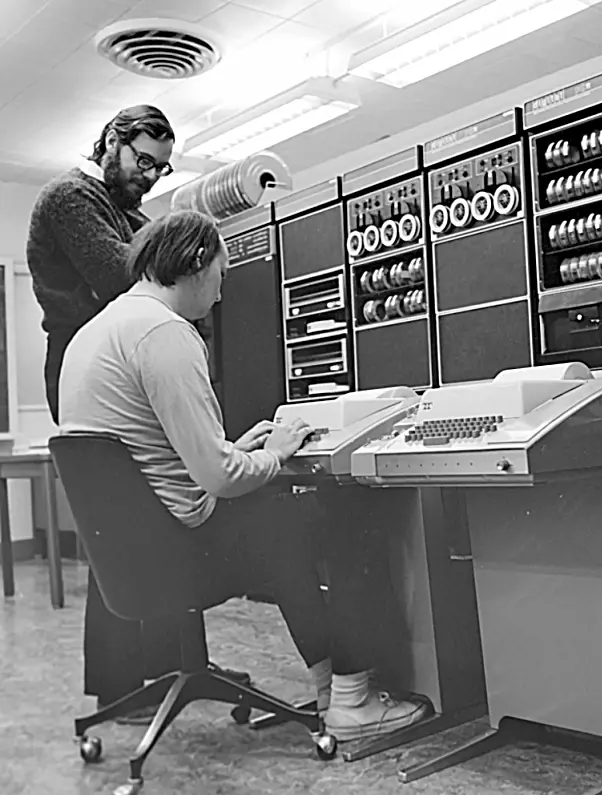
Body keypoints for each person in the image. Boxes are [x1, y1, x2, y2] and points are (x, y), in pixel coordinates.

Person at [58, 209, 427, 741]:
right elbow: (222, 480)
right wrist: (274, 453)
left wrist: (235, 449)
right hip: (185, 550)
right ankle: (353, 701)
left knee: (281, 522)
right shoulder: (165, 333)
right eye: (221, 276)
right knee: (348, 510)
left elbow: (149, 455)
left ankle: (331, 692)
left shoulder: (97, 332)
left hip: (138, 556)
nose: (220, 294)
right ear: (195, 262)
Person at [25, 105, 247, 722]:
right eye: (141, 159)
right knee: (119, 522)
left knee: (169, 506)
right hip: (91, 368)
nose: (149, 174)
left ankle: (182, 666)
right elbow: (122, 275)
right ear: (111, 142)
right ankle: (120, 686)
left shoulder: (130, 213)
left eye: (161, 166)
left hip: (130, 361)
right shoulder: (70, 197)